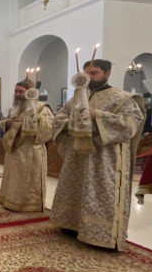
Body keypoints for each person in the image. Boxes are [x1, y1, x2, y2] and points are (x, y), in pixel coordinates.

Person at [50, 59, 145, 251]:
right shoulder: (76, 98)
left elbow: (129, 125)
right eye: (86, 74)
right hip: (77, 157)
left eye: (94, 73)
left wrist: (96, 115)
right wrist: (71, 122)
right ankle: (72, 224)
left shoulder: (122, 98)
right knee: (77, 188)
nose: (89, 78)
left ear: (107, 73)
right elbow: (58, 118)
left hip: (104, 159)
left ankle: (101, 234)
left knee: (101, 192)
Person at [0, 80, 53, 212]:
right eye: (16, 91)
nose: (17, 94)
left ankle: (27, 204)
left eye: (21, 92)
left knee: (27, 179)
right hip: (14, 150)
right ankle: (10, 200)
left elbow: (50, 126)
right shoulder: (14, 108)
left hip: (31, 151)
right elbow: (5, 122)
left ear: (29, 93)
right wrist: (8, 122)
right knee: (14, 178)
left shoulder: (42, 108)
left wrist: (37, 119)